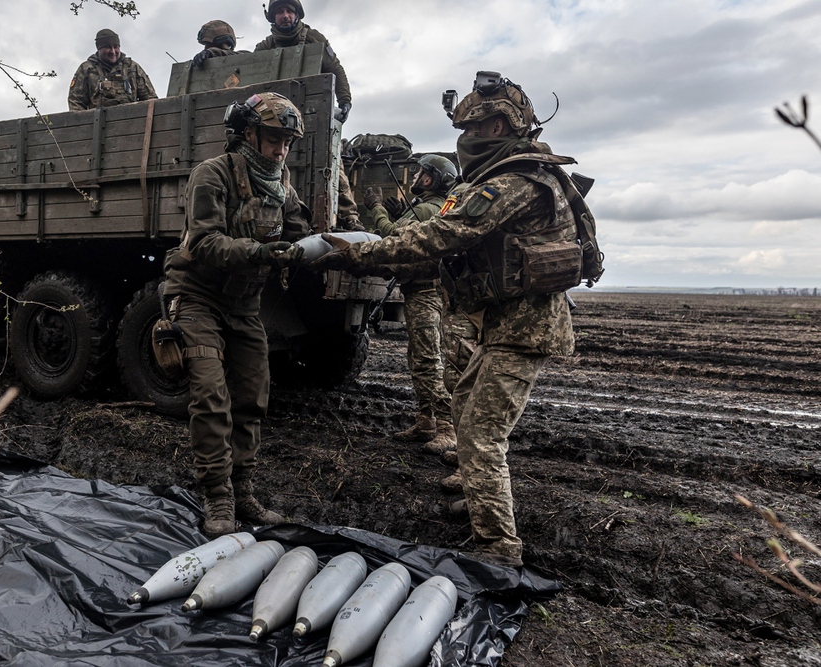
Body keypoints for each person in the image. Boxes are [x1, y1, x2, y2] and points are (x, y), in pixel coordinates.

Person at [312, 72, 591, 566]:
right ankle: (481, 497)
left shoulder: (516, 181)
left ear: (502, 125)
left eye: (475, 129)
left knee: (483, 434)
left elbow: (445, 235)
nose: (466, 140)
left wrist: (365, 254)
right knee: (463, 401)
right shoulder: (518, 175)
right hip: (504, 322)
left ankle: (499, 549)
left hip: (525, 328)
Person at [163, 92, 311, 538]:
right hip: (198, 296)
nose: (281, 149)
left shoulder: (282, 184)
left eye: (287, 141)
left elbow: (300, 232)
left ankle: (243, 492)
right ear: (248, 133)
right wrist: (263, 250)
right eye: (273, 138)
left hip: (244, 304)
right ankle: (218, 498)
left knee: (252, 396)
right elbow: (205, 243)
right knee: (211, 394)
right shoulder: (212, 174)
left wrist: (319, 250)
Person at [362, 155, 460, 456]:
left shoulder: (427, 207)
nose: (415, 177)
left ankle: (447, 427)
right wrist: (404, 212)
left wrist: (376, 208)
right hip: (427, 290)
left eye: (419, 173)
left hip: (424, 292)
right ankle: (426, 421)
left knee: (428, 360)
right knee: (419, 357)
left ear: (430, 179)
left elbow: (392, 236)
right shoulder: (433, 207)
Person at [255, 0, 360, 229]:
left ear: (297, 15)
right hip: (274, 120)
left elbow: (336, 69)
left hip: (313, 114)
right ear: (272, 17)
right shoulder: (265, 47)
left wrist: (345, 101)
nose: (285, 16)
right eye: (280, 12)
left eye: (289, 11)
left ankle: (349, 217)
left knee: (333, 161)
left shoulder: (314, 38)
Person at [68, 29, 157, 111]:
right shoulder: (87, 69)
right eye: (108, 47)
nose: (113, 51)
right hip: (96, 124)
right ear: (99, 49)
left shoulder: (132, 68)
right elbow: (76, 102)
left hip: (131, 122)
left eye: (116, 47)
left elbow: (150, 99)